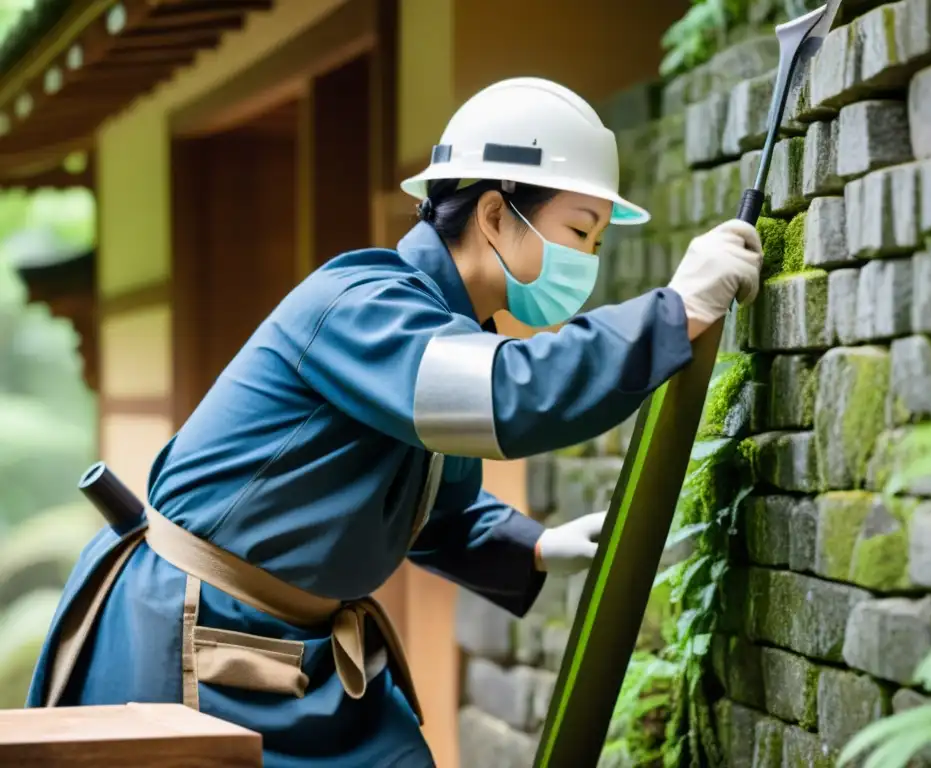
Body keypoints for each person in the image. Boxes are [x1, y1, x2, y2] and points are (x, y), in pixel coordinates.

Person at [25, 77, 762, 767]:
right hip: (199, 636)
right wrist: (677, 311)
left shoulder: (448, 332)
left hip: (305, 650)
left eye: (598, 240)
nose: (589, 259)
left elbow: (433, 517)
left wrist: (537, 547)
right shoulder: (360, 302)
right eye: (579, 231)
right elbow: (511, 396)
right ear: (497, 215)